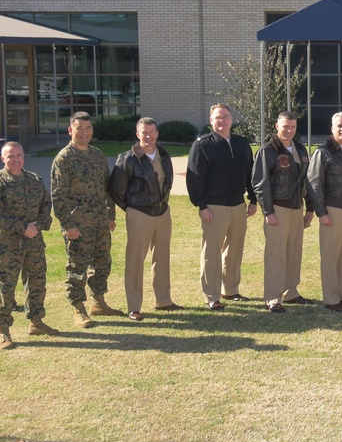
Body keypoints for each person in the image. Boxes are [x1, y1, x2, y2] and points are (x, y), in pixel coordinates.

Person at [0, 141, 58, 349]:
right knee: (6, 287)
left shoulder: (34, 180)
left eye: (19, 155)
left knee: (36, 282)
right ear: (3, 159)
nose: (15, 159)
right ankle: (3, 331)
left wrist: (39, 225)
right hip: (8, 245)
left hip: (34, 242)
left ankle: (36, 322)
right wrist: (23, 227)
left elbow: (46, 204)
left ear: (23, 156)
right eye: (10, 156)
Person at [51, 111, 123, 328]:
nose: (84, 132)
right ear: (70, 130)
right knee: (77, 266)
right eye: (79, 128)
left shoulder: (98, 155)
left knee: (102, 262)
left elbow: (107, 188)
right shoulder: (64, 159)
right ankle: (78, 308)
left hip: (100, 221)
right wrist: (67, 225)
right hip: (78, 225)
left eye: (88, 128)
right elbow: (57, 195)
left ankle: (98, 302)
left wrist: (110, 215)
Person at [108, 117, 182, 322]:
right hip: (139, 214)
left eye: (152, 132)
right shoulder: (127, 158)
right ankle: (134, 307)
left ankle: (164, 300)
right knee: (135, 261)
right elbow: (115, 190)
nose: (148, 136)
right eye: (144, 132)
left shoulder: (164, 155)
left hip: (163, 213)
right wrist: (132, 208)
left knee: (162, 258)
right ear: (137, 134)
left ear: (157, 134)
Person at [186, 103, 257, 311]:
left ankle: (231, 289)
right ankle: (211, 295)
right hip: (214, 207)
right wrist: (202, 206)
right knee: (212, 253)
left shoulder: (242, 143)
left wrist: (253, 199)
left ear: (231, 119)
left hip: (238, 205)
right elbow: (195, 177)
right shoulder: (202, 144)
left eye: (226, 117)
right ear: (211, 121)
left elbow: (250, 173)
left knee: (234, 250)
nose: (222, 121)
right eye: (218, 118)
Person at [251, 111, 315, 314]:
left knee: (294, 253)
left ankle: (291, 292)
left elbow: (306, 181)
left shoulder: (300, 148)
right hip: (278, 208)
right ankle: (273, 297)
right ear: (276, 126)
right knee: (275, 255)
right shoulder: (267, 151)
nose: (289, 131)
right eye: (285, 126)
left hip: (297, 208)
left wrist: (310, 208)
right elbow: (260, 184)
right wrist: (268, 211)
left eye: (293, 127)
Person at [308, 112, 342, 313]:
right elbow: (314, 184)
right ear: (332, 128)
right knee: (331, 257)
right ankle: (331, 298)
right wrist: (321, 213)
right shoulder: (323, 153)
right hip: (333, 210)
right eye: (339, 125)